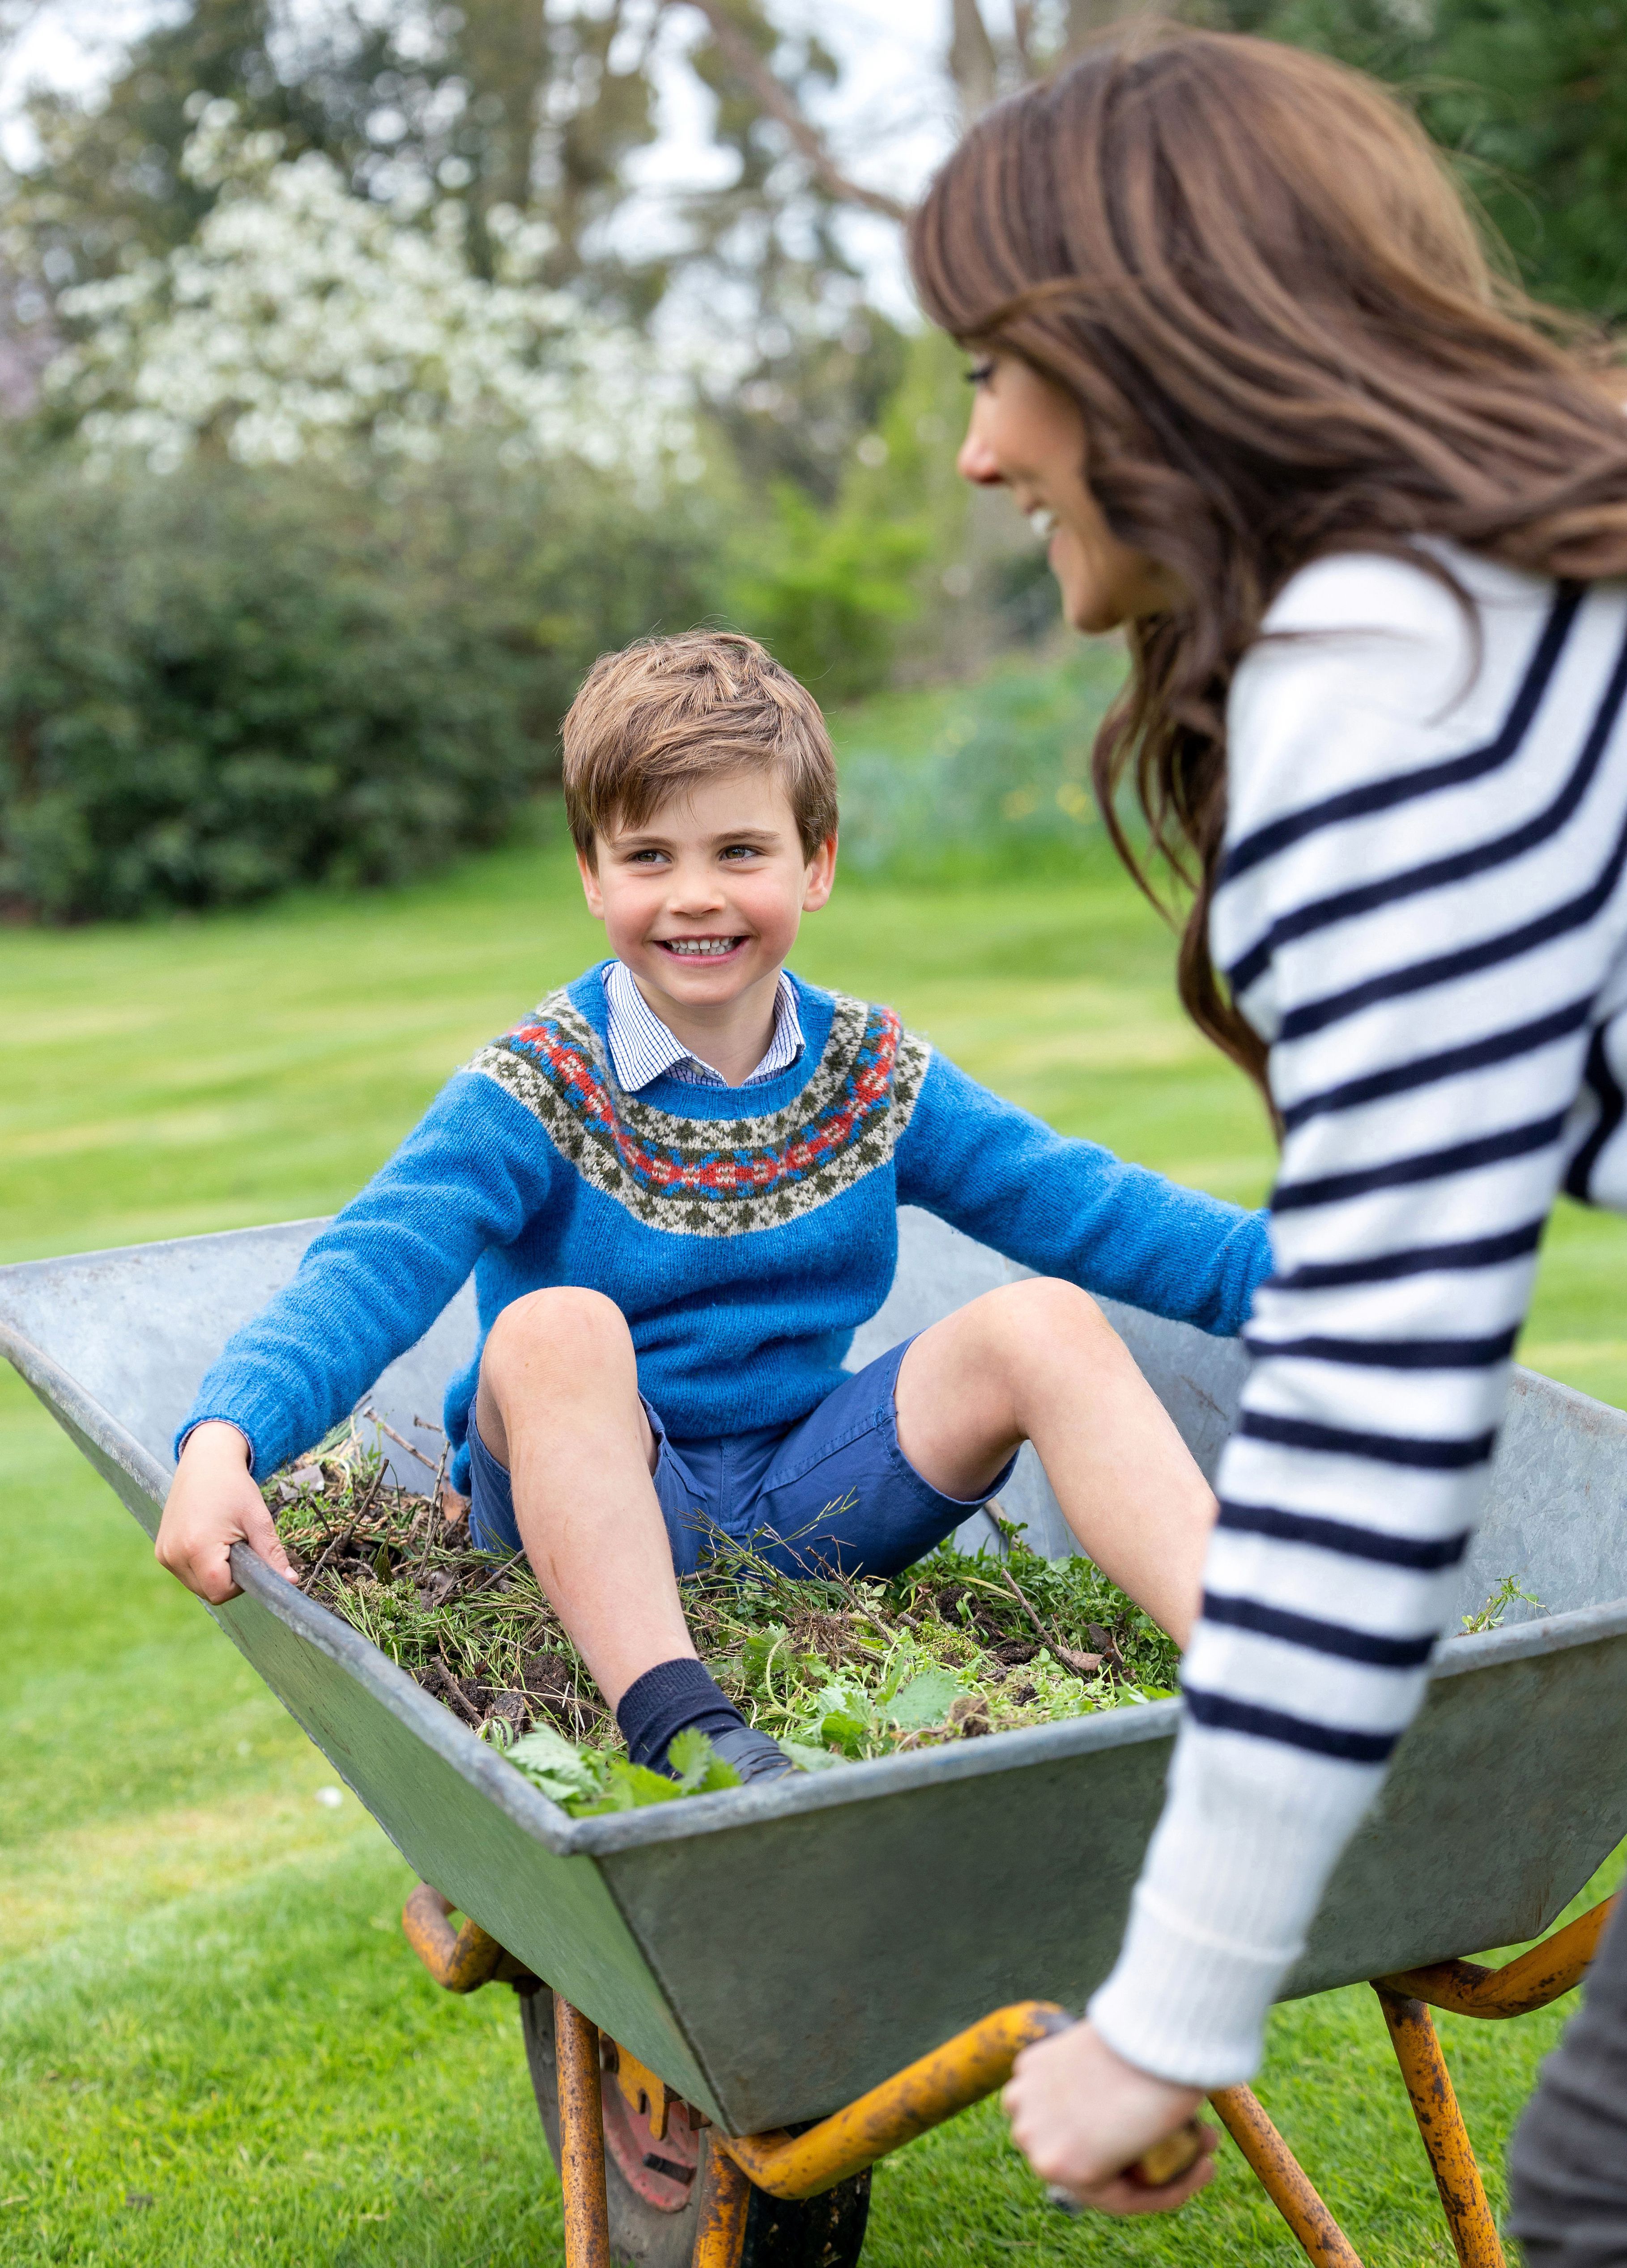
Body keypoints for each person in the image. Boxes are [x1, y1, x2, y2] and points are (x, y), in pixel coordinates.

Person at [908, 20, 1627, 2240]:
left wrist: (1170, 2007)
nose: (973, 455)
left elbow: (1370, 1412)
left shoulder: (1387, 676)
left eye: (995, 371)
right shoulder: (1521, 596)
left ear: (1142, 357)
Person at [156, 629, 1269, 1795]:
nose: (695, 897)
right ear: (591, 874)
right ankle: (682, 1727)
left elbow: (1090, 1209)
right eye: (648, 856)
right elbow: (371, 1264)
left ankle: (1256, 1673)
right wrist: (227, 1435)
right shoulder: (537, 1085)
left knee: (1042, 1318)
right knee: (552, 1328)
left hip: (808, 1495)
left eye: (741, 850)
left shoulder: (869, 1072)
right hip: (582, 1506)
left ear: (815, 863)